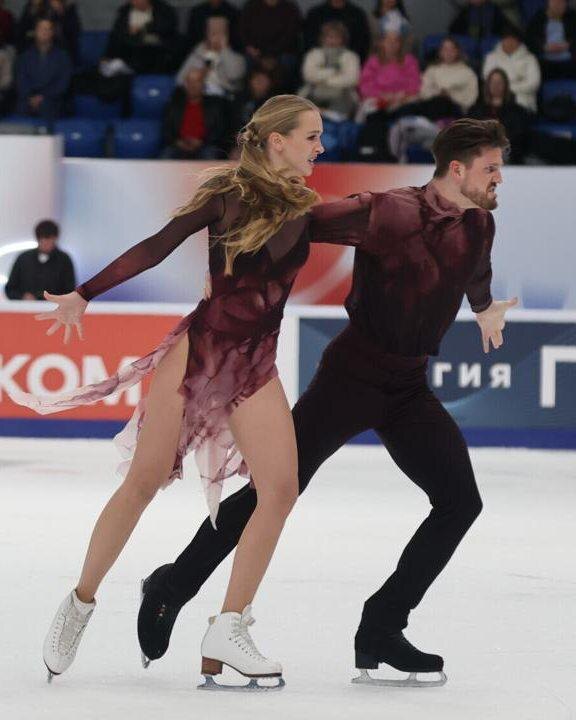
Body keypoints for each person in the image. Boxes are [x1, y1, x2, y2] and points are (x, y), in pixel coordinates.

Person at [10, 95, 415, 692]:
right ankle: (80, 601)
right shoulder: (227, 193)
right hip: (198, 355)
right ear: (276, 140)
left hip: (254, 365)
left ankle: (229, 625)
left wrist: (442, 216)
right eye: (311, 136)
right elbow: (158, 244)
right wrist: (85, 293)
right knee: (144, 481)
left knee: (280, 488)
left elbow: (381, 228)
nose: (321, 147)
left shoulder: (305, 206)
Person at [137, 118, 518, 687]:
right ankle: (171, 586)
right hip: (351, 377)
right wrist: (231, 278)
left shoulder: (480, 223)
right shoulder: (386, 210)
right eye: (491, 168)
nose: (499, 179)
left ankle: (382, 627)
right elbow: (291, 222)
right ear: (457, 169)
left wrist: (485, 308)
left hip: (408, 387)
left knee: (460, 502)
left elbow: (475, 271)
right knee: (273, 491)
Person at [162, 66, 231, 159]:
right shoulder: (174, 105)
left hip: (205, 145)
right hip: (179, 146)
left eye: (197, 81)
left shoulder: (215, 105)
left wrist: (202, 142)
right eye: (189, 82)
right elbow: (167, 130)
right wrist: (178, 142)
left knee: (210, 155)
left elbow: (219, 131)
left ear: (203, 84)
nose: (192, 85)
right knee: (166, 156)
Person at [300, 20, 360, 119]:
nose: (333, 40)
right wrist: (334, 72)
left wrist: (324, 80)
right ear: (323, 38)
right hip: (314, 94)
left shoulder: (350, 56)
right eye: (329, 37)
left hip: (342, 96)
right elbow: (309, 75)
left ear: (343, 39)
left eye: (336, 37)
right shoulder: (313, 54)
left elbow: (352, 79)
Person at [15, 17, 72, 121]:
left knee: (48, 106)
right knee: (20, 108)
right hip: (28, 99)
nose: (44, 32)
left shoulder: (63, 57)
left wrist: (43, 96)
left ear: (53, 33)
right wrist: (31, 97)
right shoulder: (24, 57)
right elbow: (21, 79)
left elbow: (62, 83)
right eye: (41, 29)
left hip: (53, 100)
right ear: (35, 32)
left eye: (48, 29)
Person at [469, 68, 531, 163]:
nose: (496, 85)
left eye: (499, 82)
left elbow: (518, 136)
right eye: (493, 82)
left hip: (507, 152)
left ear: (505, 85)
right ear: (487, 85)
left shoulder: (517, 111)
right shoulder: (476, 110)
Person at [5, 219, 76, 300]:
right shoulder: (23, 259)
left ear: (55, 239)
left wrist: (54, 298)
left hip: (54, 307)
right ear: (37, 239)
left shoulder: (64, 260)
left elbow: (70, 291)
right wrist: (23, 296)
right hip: (26, 306)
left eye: (49, 240)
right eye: (42, 240)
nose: (46, 244)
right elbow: (10, 289)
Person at [176, 16, 246, 98]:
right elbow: (180, 80)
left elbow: (234, 75)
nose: (216, 36)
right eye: (212, 32)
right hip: (200, 96)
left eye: (220, 32)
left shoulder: (236, 53)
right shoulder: (198, 51)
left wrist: (224, 50)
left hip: (224, 97)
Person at [106, 0, 179, 75]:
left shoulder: (163, 9)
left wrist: (142, 28)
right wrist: (107, 56)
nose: (136, 2)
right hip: (130, 47)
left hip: (156, 49)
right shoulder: (125, 11)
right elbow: (116, 34)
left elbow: (167, 28)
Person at [482, 27, 541, 112]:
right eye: (507, 39)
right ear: (502, 40)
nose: (510, 43)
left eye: (513, 40)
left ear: (519, 42)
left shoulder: (530, 58)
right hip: (497, 98)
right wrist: (518, 81)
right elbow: (488, 79)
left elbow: (533, 84)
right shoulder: (491, 57)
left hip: (523, 99)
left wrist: (505, 87)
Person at [420, 36, 479, 115]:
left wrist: (450, 95)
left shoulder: (468, 73)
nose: (448, 52)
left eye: (452, 49)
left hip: (457, 110)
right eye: (445, 49)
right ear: (440, 52)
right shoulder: (431, 70)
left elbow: (471, 98)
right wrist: (438, 93)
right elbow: (424, 91)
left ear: (457, 51)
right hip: (432, 107)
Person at [304, 0, 371, 63]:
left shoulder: (357, 15)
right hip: (319, 62)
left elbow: (363, 45)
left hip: (349, 63)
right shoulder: (314, 14)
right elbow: (308, 44)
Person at [526, 0, 576, 80]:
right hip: (545, 62)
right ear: (549, 3)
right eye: (555, 2)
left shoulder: (572, 17)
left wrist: (568, 45)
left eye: (561, 3)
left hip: (569, 60)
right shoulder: (538, 18)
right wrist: (544, 47)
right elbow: (529, 41)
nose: (558, 6)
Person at [16, 0, 81, 60]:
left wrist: (61, 11)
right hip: (34, 49)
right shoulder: (34, 6)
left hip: (60, 50)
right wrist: (32, 9)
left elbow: (74, 33)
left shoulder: (68, 8)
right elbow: (20, 32)